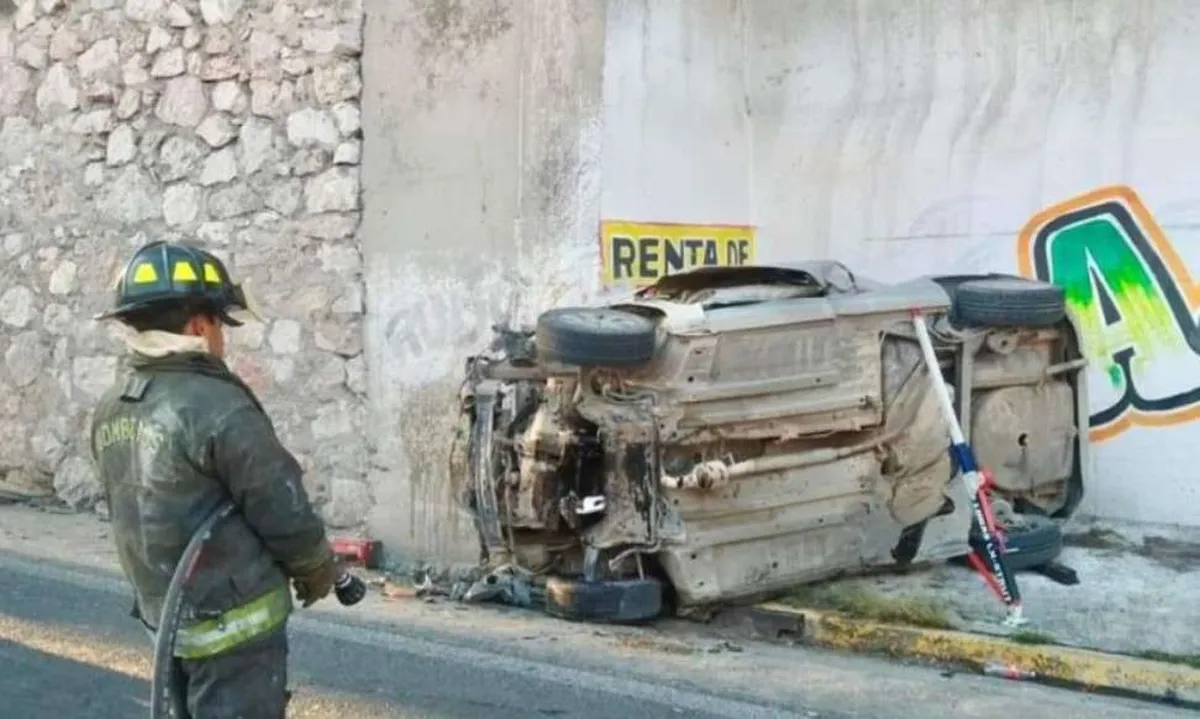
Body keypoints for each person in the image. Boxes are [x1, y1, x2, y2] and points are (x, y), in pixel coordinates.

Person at [89, 240, 339, 718]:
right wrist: (316, 567)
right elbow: (278, 503)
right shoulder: (217, 405)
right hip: (235, 626)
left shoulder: (113, 404)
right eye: (221, 324)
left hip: (166, 622)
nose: (223, 338)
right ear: (201, 325)